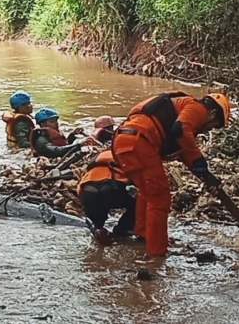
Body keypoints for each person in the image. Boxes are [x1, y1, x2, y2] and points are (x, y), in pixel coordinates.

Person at [111, 92, 231, 257]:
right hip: (140, 142)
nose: (209, 129)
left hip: (124, 141)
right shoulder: (198, 108)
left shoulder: (178, 110)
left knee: (148, 192)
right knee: (160, 198)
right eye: (214, 125)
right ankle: (157, 253)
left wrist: (205, 176)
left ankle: (144, 235)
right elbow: (180, 129)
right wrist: (200, 163)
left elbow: (184, 152)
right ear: (213, 113)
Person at [79, 150, 135, 245]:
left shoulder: (100, 156)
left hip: (87, 189)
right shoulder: (127, 156)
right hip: (110, 187)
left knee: (97, 226)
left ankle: (99, 232)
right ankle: (123, 229)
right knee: (139, 201)